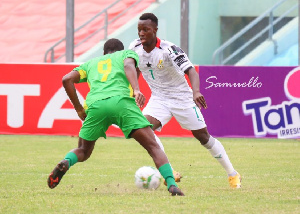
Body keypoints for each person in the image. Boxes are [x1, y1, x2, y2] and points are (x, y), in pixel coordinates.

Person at [47, 38, 184, 196]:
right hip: (122, 104)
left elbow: (66, 79)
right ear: (121, 50)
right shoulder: (126, 54)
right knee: (153, 147)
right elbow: (128, 65)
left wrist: (79, 109)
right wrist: (136, 89)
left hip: (96, 107)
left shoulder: (91, 63)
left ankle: (66, 161)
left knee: (83, 150)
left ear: (104, 53)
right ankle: (172, 185)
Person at [129, 13, 241, 188]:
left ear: (155, 30)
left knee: (203, 137)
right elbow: (133, 67)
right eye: (139, 30)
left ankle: (233, 174)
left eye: (146, 30)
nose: (141, 33)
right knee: (144, 129)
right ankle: (169, 171)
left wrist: (196, 92)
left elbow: (191, 71)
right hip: (159, 98)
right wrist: (134, 89)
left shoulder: (169, 49)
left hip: (182, 98)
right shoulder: (134, 47)